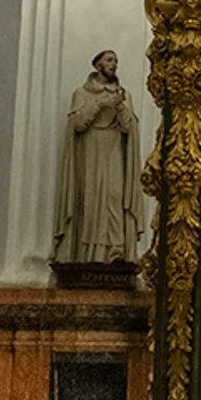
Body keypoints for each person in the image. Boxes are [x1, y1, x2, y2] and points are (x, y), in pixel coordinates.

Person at [54, 49, 141, 265]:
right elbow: (78, 124)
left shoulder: (123, 94)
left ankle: (116, 251)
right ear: (97, 65)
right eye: (109, 60)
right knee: (91, 200)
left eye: (116, 61)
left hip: (114, 152)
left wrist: (119, 106)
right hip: (90, 152)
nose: (114, 65)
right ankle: (87, 255)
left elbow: (129, 127)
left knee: (114, 196)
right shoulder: (82, 94)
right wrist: (101, 104)